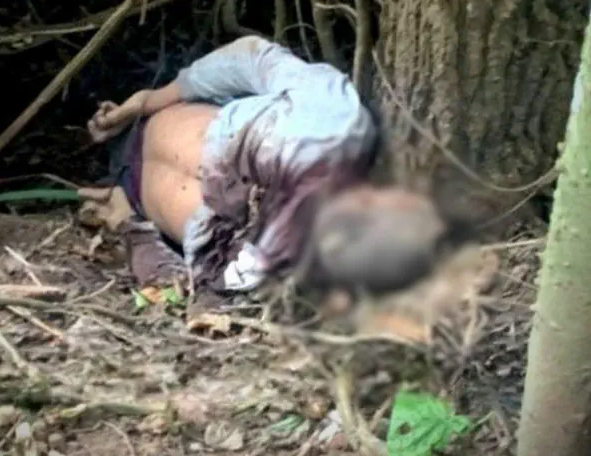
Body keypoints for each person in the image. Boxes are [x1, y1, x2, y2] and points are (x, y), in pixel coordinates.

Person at [86, 35, 481, 301]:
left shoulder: (265, 265)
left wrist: (127, 221)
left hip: (143, 189)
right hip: (161, 140)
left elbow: (177, 283)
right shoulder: (338, 127)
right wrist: (149, 100)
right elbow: (251, 57)